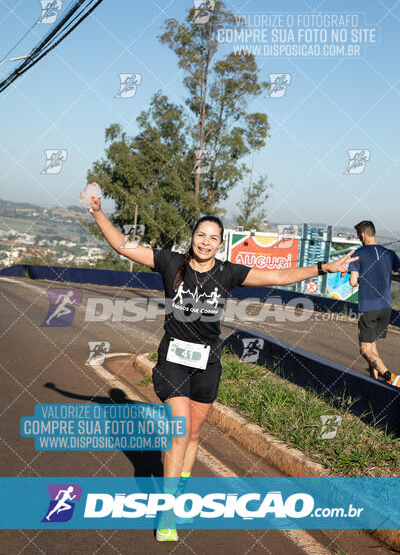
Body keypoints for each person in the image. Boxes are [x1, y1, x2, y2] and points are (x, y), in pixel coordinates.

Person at [83, 186, 358, 542]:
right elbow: (123, 245)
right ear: (193, 237)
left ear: (220, 244)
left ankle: (178, 488)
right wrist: (97, 212)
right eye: (201, 235)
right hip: (173, 359)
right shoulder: (170, 263)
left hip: (208, 361)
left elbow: (278, 277)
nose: (206, 242)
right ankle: (167, 511)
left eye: (213, 238)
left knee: (194, 433)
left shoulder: (228, 273)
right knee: (179, 432)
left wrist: (324, 267)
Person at [347, 220, 400, 386]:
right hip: (386, 307)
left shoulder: (358, 254)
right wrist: (388, 277)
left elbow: (353, 282)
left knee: (364, 350)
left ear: (362, 235)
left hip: (369, 307)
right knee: (372, 348)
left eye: (358, 236)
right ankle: (374, 382)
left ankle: (391, 377)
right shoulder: (390, 253)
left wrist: (357, 275)